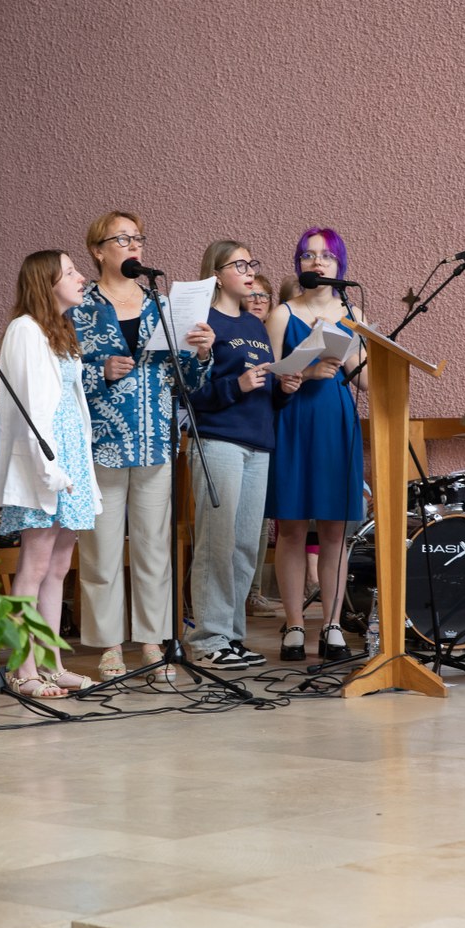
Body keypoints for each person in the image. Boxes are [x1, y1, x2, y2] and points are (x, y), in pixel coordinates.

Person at [70, 210, 214, 683]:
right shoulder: (79, 306)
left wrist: (202, 352)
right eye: (122, 239)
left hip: (155, 441)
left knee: (154, 548)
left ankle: (153, 641)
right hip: (102, 444)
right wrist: (99, 372)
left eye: (138, 238)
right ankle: (109, 645)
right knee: (102, 550)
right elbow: (59, 373)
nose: (134, 246)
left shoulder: (161, 304)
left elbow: (187, 380)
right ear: (98, 251)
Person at [185, 242, 301, 669]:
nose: (250, 271)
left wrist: (283, 389)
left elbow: (264, 393)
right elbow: (190, 393)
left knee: (246, 546)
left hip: (258, 443)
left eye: (251, 264)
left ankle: (231, 637)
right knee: (217, 542)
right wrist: (237, 386)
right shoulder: (204, 322)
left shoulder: (254, 325)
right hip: (219, 440)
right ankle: (207, 639)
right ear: (216, 274)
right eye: (239, 265)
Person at [0, 250, 102, 697]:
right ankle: (22, 668)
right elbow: (29, 408)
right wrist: (47, 468)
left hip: (70, 456)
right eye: (70, 271)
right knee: (34, 566)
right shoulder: (25, 330)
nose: (81, 277)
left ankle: (51, 663)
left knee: (58, 567)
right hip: (43, 463)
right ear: (46, 282)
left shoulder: (61, 329)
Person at [266, 227, 368, 662]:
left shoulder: (352, 311)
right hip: (293, 421)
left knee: (334, 530)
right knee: (290, 528)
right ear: (299, 264)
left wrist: (357, 352)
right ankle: (293, 625)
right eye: (308, 255)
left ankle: (331, 625)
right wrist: (302, 374)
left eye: (326, 255)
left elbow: (366, 380)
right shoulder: (282, 314)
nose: (317, 262)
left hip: (335, 421)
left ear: (339, 264)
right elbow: (269, 379)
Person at [242, 273, 283, 618]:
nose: (257, 301)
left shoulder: (273, 337)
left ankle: (253, 592)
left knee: (260, 518)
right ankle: (241, 594)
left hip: (272, 430)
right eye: (252, 294)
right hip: (239, 432)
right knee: (239, 522)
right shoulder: (235, 334)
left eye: (264, 297)